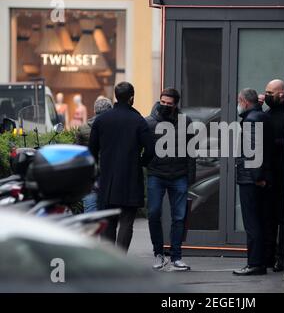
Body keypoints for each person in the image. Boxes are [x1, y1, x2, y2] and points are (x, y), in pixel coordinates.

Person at [89, 82, 154, 252]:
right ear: (132, 97)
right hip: (131, 178)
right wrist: (140, 162)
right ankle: (120, 258)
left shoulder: (101, 120)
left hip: (107, 179)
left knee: (109, 221)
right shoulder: (138, 120)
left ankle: (109, 259)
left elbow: (91, 151)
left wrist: (97, 172)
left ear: (115, 97)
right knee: (126, 222)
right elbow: (150, 149)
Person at [146, 88, 196, 271]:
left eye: (169, 103)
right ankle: (158, 254)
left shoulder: (186, 122)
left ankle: (176, 256)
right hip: (156, 175)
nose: (165, 106)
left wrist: (190, 176)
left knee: (180, 217)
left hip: (179, 175)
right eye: (163, 102)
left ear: (176, 105)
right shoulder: (149, 123)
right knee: (153, 214)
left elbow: (192, 151)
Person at [233, 88, 272, 276]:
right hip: (258, 178)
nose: (239, 105)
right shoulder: (261, 116)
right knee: (260, 221)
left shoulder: (251, 120)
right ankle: (260, 261)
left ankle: (255, 264)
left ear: (244, 101)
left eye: (239, 102)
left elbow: (252, 152)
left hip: (251, 180)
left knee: (252, 223)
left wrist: (257, 178)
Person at [262, 79, 284, 272]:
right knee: (269, 218)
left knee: (282, 219)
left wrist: (273, 143)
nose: (267, 95)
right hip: (271, 174)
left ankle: (282, 258)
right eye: (266, 92)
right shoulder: (268, 113)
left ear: (282, 93)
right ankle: (269, 257)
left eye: (270, 92)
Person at [76, 95, 113, 213]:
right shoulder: (114, 128)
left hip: (90, 174)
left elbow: (78, 151)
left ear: (94, 110)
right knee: (108, 212)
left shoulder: (83, 128)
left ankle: (91, 230)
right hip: (109, 174)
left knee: (90, 211)